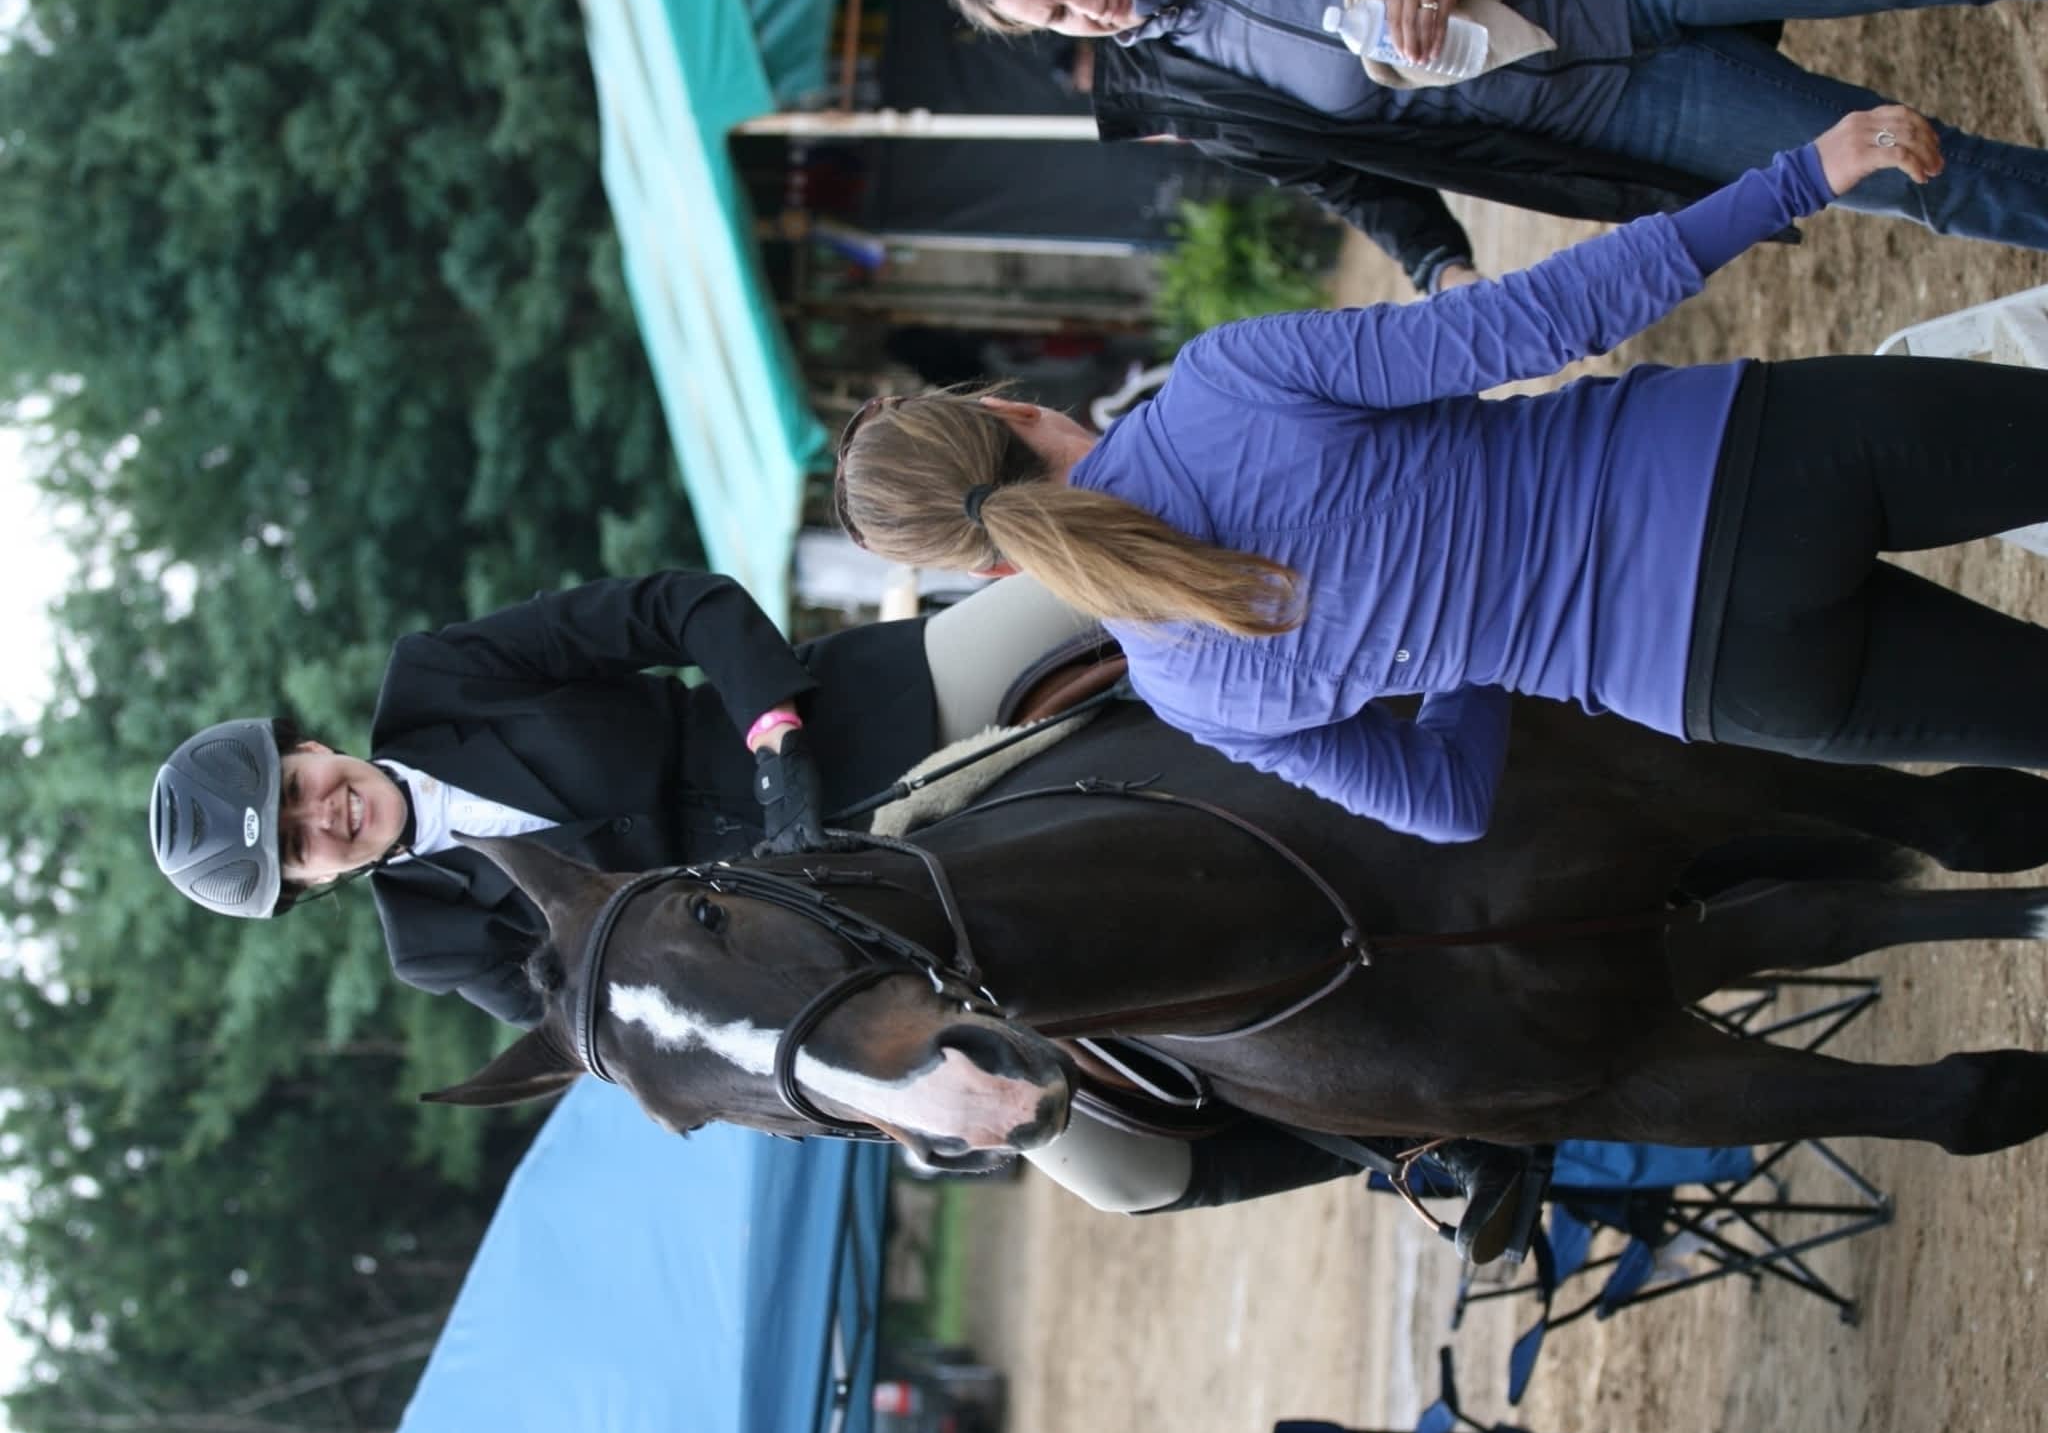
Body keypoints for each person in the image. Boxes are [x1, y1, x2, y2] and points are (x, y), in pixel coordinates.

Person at [149, 568, 1530, 1255]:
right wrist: (881, 1098)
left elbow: (675, 604)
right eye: (302, 850)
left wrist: (768, 721)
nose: (325, 818)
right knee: (1125, 1176)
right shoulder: (442, 945)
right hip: (873, 941)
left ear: (307, 744)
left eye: (301, 787)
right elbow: (670, 1040)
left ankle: (1441, 598)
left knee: (1085, 582)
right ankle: (1411, 1146)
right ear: (313, 890)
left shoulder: (443, 677)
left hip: (863, 732)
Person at [835, 111, 2048, 845]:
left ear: (989, 568)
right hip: (1745, 467)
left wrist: (1457, 642)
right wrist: (1796, 178)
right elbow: (1537, 322)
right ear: (1006, 408)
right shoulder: (1222, 385)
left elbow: (1449, 805)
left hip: (1721, 681)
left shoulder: (1191, 696)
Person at [942, 0, 2048, 293]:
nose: (1089, 5)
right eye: (1056, 15)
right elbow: (1338, 175)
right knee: (1917, 179)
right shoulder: (1181, 87)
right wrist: (1437, 262)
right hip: (1613, 114)